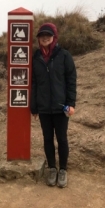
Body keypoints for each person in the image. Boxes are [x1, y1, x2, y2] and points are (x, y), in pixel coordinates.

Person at [30, 22, 77, 188]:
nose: (44, 38)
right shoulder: (35, 58)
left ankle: (63, 170)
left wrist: (71, 103)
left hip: (61, 107)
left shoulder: (64, 55)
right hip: (43, 108)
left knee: (62, 139)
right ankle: (52, 168)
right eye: (42, 36)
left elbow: (71, 81)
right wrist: (34, 107)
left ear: (54, 37)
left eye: (48, 35)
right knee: (47, 139)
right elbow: (34, 83)